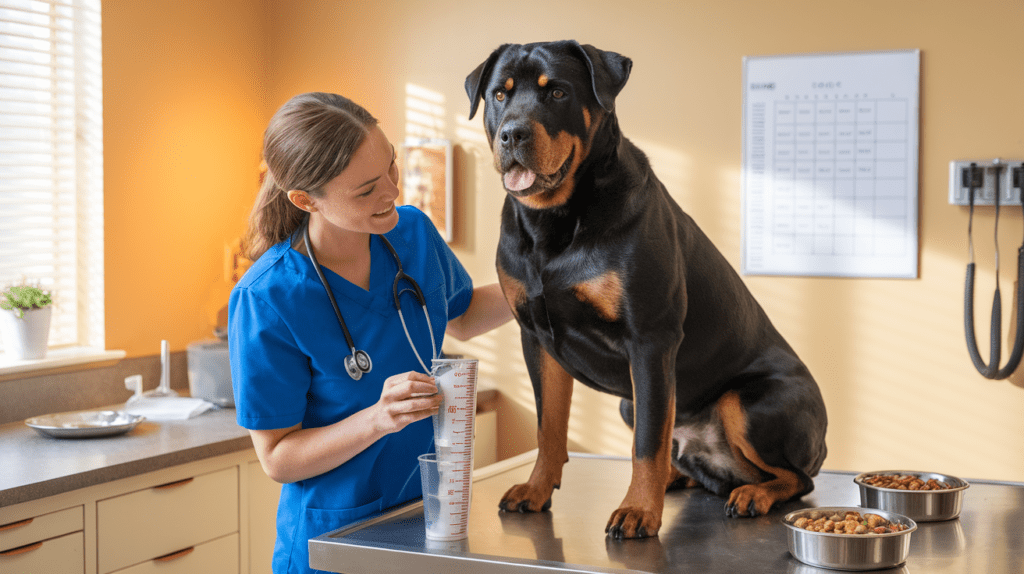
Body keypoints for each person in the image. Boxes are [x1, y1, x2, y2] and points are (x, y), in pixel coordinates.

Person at [229, 92, 513, 574]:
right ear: (304, 200)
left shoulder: (412, 234)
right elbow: (277, 456)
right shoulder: (268, 298)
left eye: (392, 170)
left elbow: (462, 315)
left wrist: (546, 287)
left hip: (425, 525)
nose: (392, 194)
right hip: (337, 543)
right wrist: (378, 418)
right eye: (366, 190)